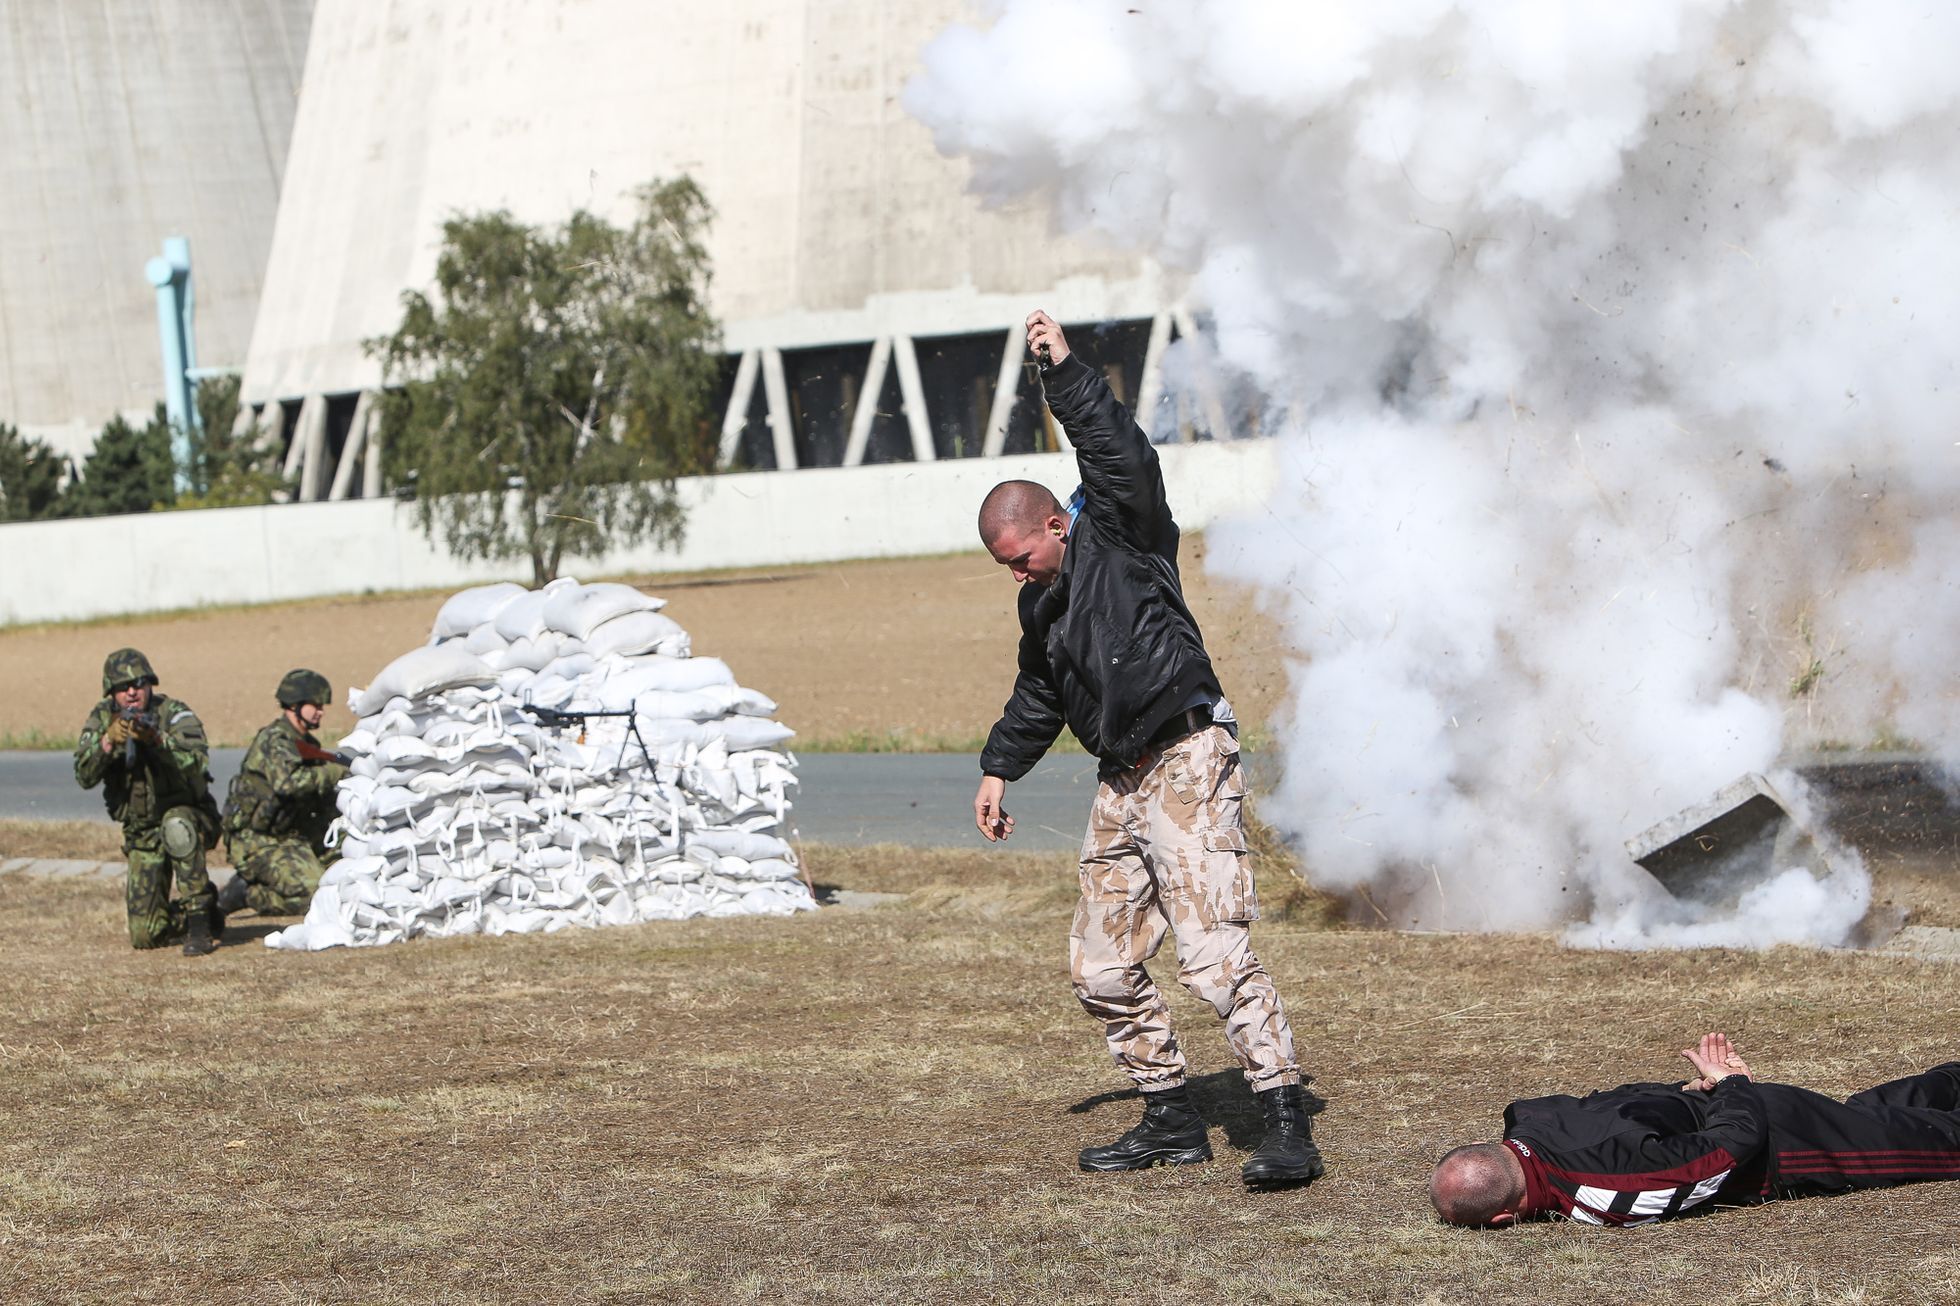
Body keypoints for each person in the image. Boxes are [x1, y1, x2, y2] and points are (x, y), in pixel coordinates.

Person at [971, 309, 1319, 1189]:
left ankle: (1283, 1115)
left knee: (1211, 951)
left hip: (1187, 754)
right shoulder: (1039, 604)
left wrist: (1062, 373)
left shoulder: (1123, 529)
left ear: (1055, 524)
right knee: (1099, 965)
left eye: (1021, 555)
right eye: (1002, 566)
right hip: (1120, 778)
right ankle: (1170, 1117)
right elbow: (1042, 690)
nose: (1016, 574)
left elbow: (1122, 453)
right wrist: (998, 767)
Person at [1430, 1032, 1960, 1227]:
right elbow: (1622, 1102)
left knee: (1940, 1144)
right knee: (1883, 1116)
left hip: (1778, 1138)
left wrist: (1729, 1086)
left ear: (1503, 1218)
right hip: (1739, 1104)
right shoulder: (1530, 1115)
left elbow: (1727, 1151)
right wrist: (1697, 1089)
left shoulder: (1597, 1186)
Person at [72, 648, 225, 955]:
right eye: (123, 687)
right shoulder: (102, 718)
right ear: (111, 693)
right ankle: (204, 911)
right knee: (145, 935)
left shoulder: (174, 713)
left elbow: (197, 762)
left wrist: (158, 740)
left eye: (139, 683)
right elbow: (83, 775)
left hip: (189, 818)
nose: (132, 692)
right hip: (143, 832)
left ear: (150, 684)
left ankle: (199, 925)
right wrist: (108, 741)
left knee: (176, 826)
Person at [219, 669, 348, 916]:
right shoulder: (275, 741)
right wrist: (334, 772)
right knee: (316, 897)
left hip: (291, 836)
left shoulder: (308, 745)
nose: (321, 711)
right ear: (295, 705)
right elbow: (289, 784)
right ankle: (248, 893)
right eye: (316, 705)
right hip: (257, 841)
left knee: (342, 874)